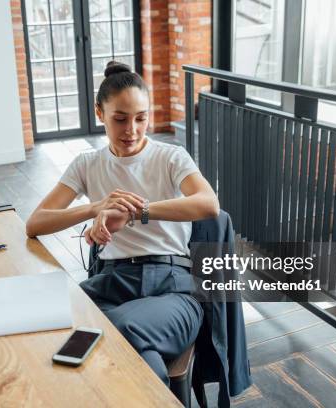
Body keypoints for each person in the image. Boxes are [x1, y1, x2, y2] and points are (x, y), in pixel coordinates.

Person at [26, 61, 219, 386]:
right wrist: (94, 208)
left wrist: (137, 211)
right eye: (120, 119)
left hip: (172, 290)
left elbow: (209, 204)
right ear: (100, 113)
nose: (132, 129)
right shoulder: (88, 164)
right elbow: (36, 223)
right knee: (52, 327)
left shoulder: (170, 157)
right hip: (111, 286)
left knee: (108, 330)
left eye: (141, 118)